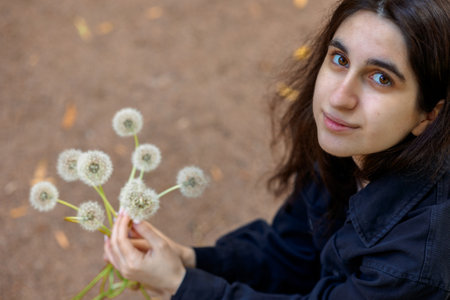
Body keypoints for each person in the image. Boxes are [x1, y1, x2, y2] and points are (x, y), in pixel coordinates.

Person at [104, 0, 450, 298]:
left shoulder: (417, 257)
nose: (339, 97)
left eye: (381, 78)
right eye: (340, 60)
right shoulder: (350, 147)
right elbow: (288, 256)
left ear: (429, 114)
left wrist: (181, 285)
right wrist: (189, 260)